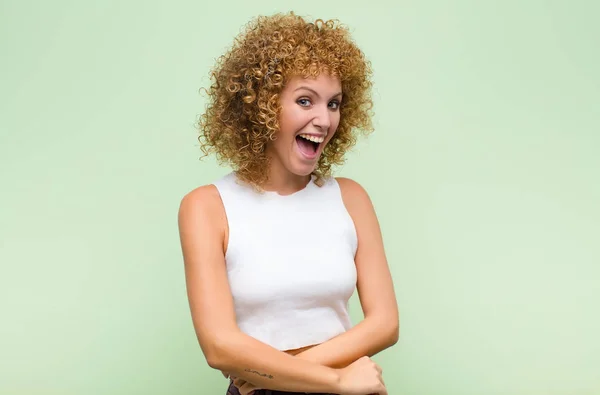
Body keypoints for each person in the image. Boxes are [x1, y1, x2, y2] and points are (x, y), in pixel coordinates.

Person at [178, 12, 399, 395]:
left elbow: (385, 323)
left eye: (334, 104)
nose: (324, 119)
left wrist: (284, 371)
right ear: (261, 107)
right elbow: (218, 346)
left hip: (343, 386)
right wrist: (335, 379)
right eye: (304, 100)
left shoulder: (350, 197)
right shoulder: (207, 207)